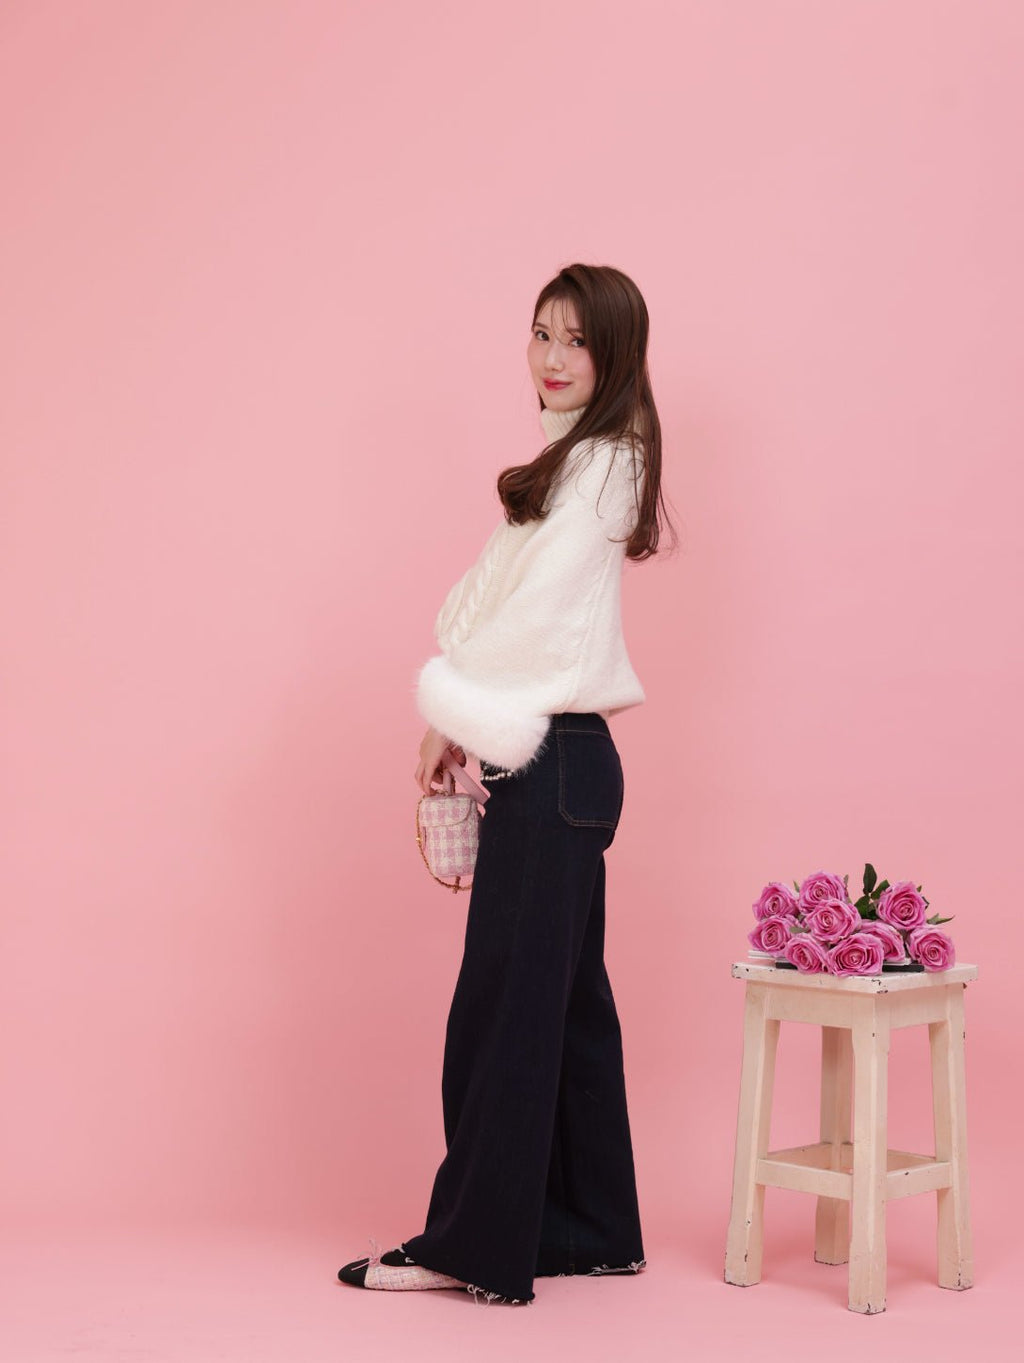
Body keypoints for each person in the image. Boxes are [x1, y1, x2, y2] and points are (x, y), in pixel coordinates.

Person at [338, 263, 674, 1306]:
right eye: (541, 334)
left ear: (616, 355)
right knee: (565, 1007)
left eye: (577, 339)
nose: (553, 357)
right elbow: (515, 610)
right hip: (560, 759)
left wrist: (449, 709)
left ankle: (476, 1244)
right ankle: (590, 1228)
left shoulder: (605, 463)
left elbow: (530, 621)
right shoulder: (582, 460)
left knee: (504, 1012)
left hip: (551, 758)